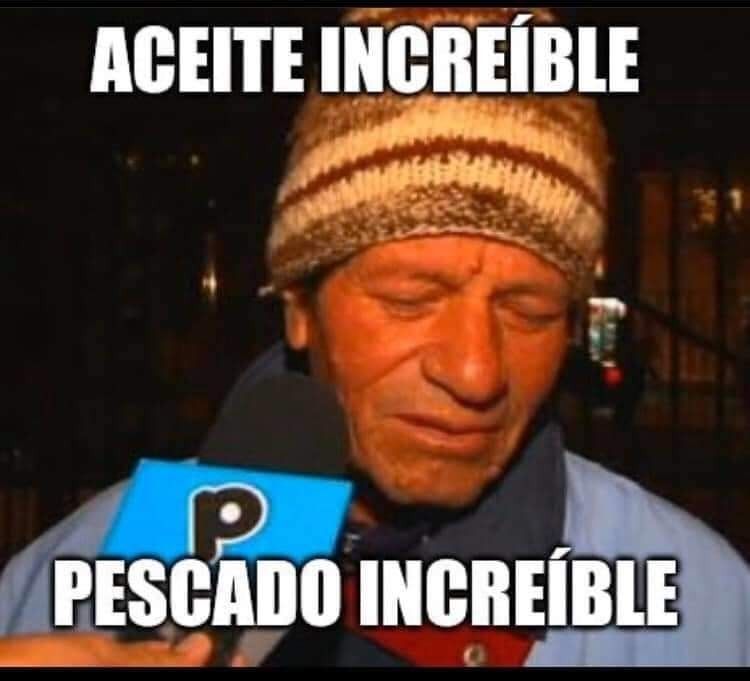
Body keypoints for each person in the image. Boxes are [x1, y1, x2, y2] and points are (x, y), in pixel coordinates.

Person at [1, 6, 749, 667]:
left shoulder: (703, 608)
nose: (476, 371)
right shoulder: (71, 581)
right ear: (300, 306)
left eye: (530, 311)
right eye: (409, 298)